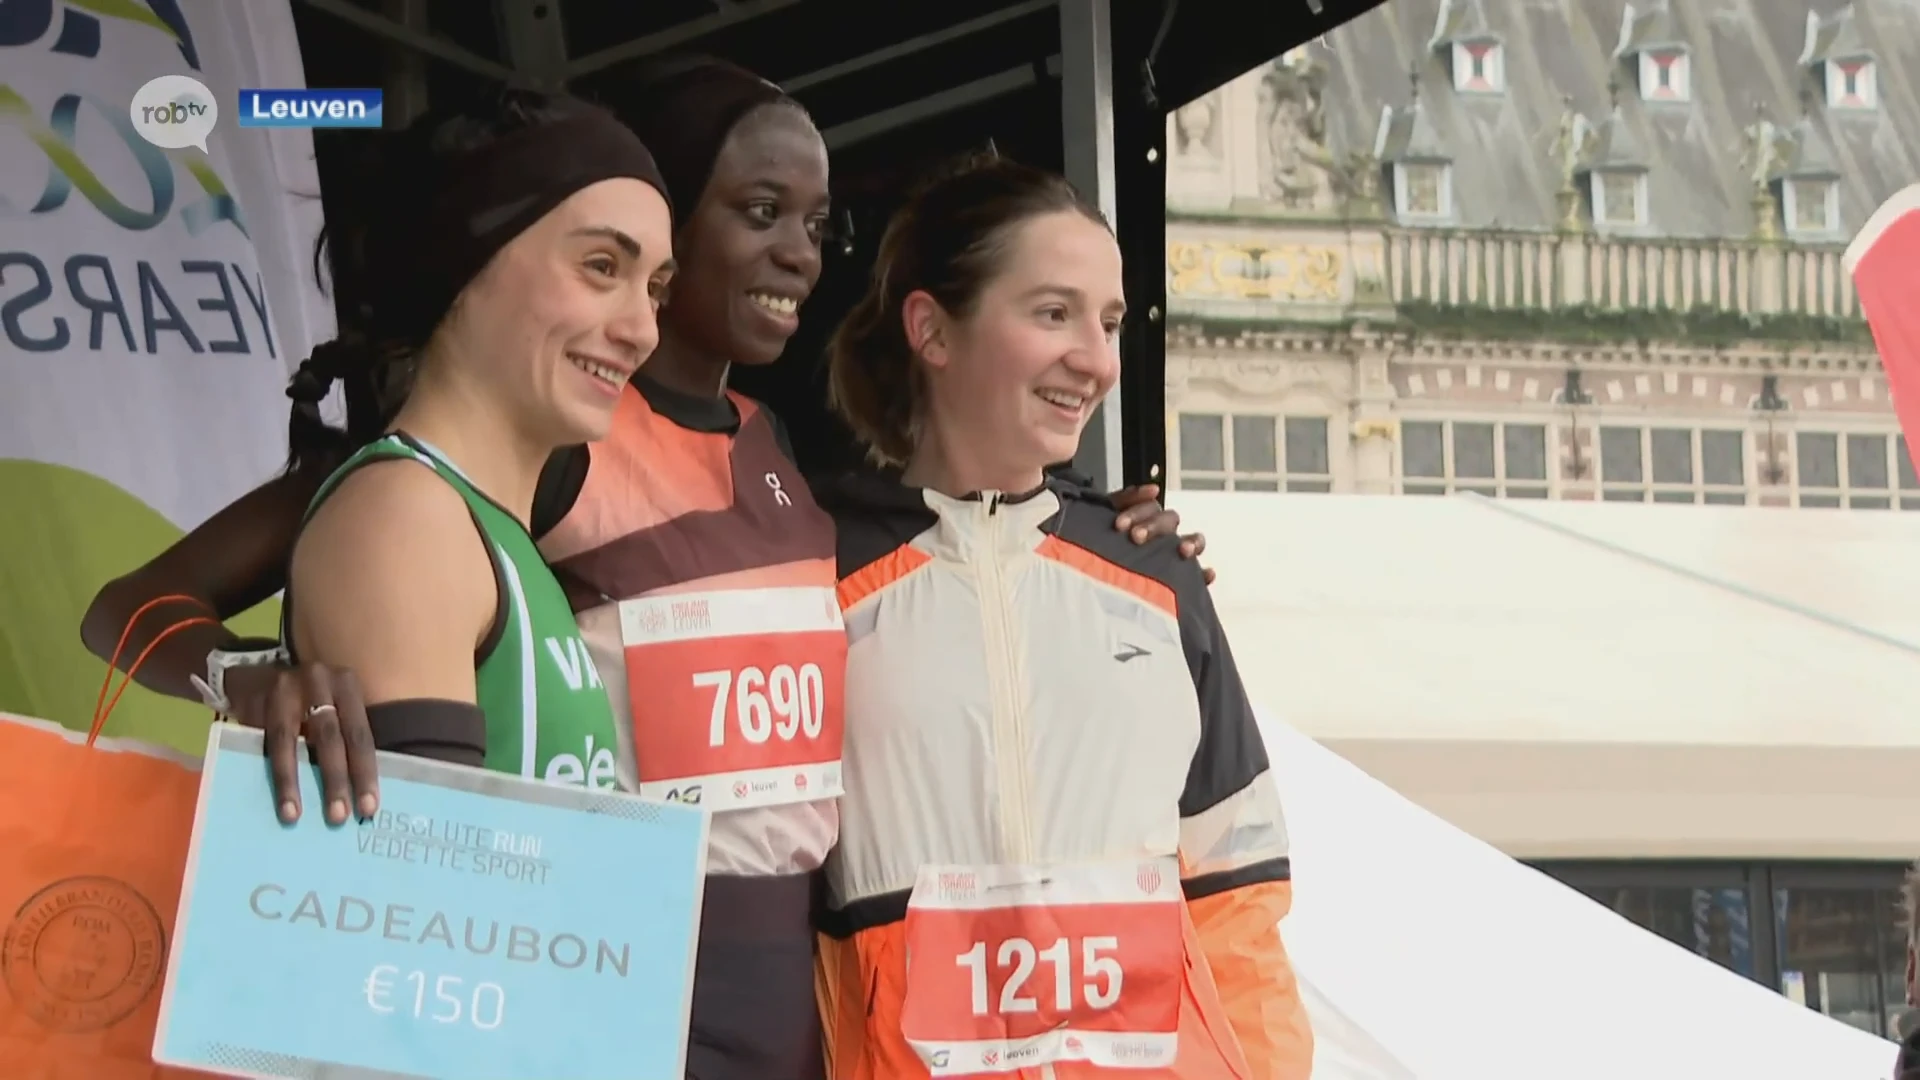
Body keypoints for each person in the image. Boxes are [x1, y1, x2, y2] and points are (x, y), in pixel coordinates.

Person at [77, 58, 1204, 1080]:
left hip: (786, 1001)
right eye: (758, 212)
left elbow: (936, 549)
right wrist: (240, 676)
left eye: (817, 222)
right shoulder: (515, 458)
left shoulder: (779, 454)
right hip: (603, 977)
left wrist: (1102, 532)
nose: (798, 251)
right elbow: (153, 602)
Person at [812, 157, 1311, 1078]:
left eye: (1110, 322)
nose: (1097, 358)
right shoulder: (813, 579)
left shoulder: (1158, 578)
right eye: (1053, 313)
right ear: (932, 329)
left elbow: (1240, 897)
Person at [278, 90, 674, 791]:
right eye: (602, 267)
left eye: (655, 290)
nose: (642, 329)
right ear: (465, 262)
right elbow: (427, 885)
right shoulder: (408, 518)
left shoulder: (482, 528)